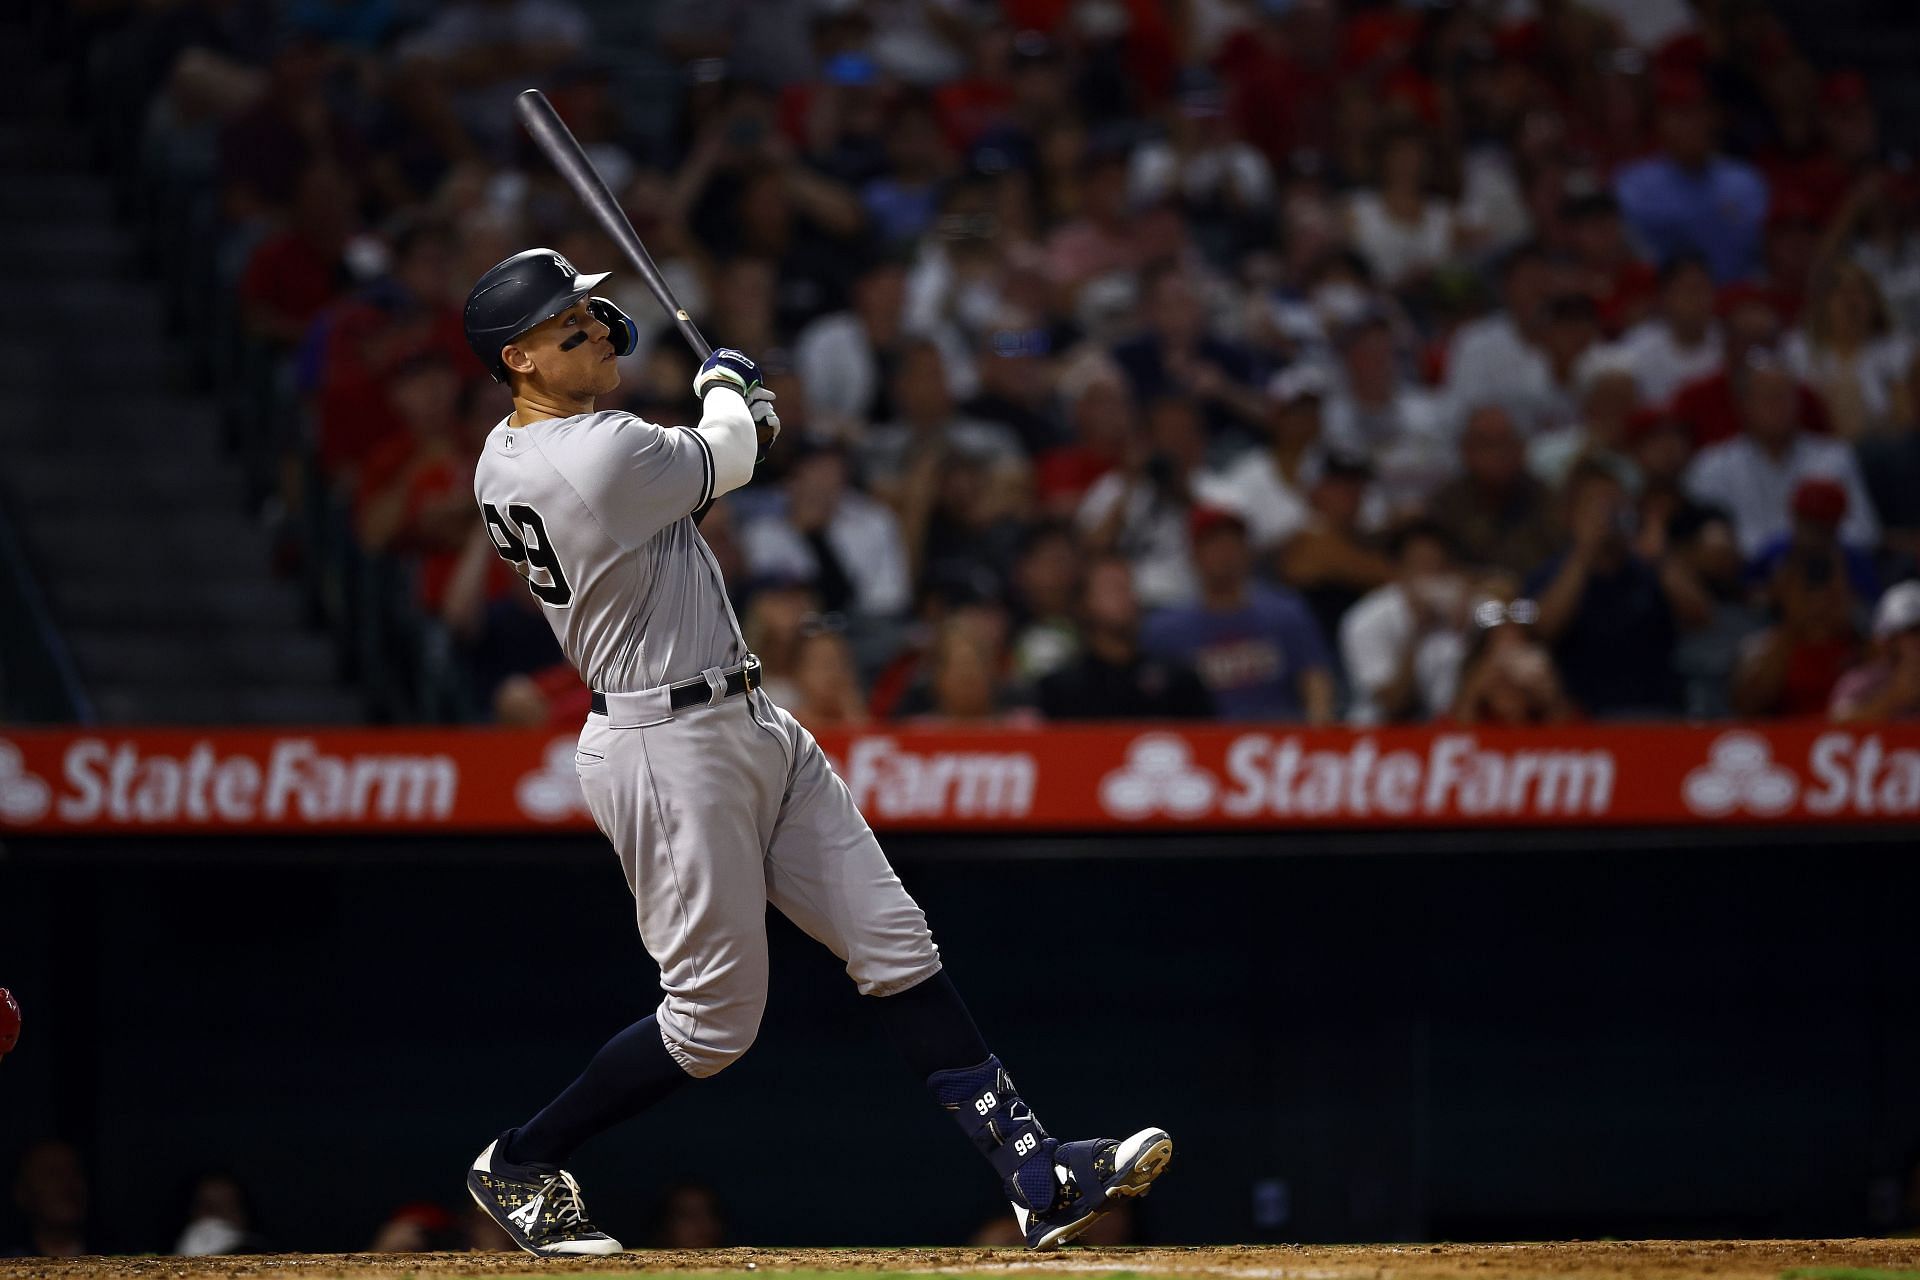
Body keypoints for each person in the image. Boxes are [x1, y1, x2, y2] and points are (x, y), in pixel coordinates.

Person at [458, 248, 1171, 1255]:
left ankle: (1037, 1169)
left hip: (746, 713)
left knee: (895, 943)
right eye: (568, 326)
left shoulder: (515, 450)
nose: (598, 328)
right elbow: (730, 453)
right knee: (712, 1024)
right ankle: (524, 1160)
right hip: (665, 743)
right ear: (520, 359)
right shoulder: (598, 454)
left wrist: (726, 410)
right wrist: (729, 390)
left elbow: (696, 457)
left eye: (592, 312)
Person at [1142, 508, 1334, 723]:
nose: (1225, 554)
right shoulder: (1164, 629)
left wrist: (1317, 732)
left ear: (1247, 551)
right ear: (1193, 555)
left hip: (1278, 738)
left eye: (1233, 543)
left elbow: (1315, 679)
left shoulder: (1285, 613)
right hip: (1202, 743)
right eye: (1213, 545)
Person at [1525, 460, 1681, 718]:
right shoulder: (1548, 574)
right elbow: (1542, 629)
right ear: (1568, 515)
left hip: (1655, 716)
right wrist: (1585, 552)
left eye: (1614, 504)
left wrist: (1662, 559)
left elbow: (1700, 617)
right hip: (1579, 720)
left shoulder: (1648, 567)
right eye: (1594, 505)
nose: (1606, 515)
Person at [1686, 353, 1880, 558]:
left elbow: (1865, 532)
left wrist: (1809, 544)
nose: (1778, 407)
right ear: (1745, 405)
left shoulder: (1834, 457)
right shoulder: (1712, 466)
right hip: (1743, 580)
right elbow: (1704, 540)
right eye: (1768, 397)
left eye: (1785, 396)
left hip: (1824, 571)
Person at [1612, 71, 1769, 284]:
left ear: (1713, 118)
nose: (1692, 126)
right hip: (1666, 304)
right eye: (1681, 114)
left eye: (1699, 113)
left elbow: (1761, 256)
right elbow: (1633, 257)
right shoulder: (1634, 185)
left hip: (1739, 297)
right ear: (1661, 121)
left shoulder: (1745, 181)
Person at [1036, 556, 1213, 721]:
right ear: (1083, 604)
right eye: (1113, 589)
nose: (1126, 597)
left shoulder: (1178, 680)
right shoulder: (1060, 690)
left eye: (1128, 587)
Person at [1340, 521, 1471, 726]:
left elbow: (1510, 602)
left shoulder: (1462, 606)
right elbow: (1393, 705)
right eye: (1421, 565)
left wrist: (1468, 630)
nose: (1430, 576)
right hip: (1378, 733)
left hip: (1445, 732)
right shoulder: (1366, 619)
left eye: (1438, 566)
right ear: (1398, 570)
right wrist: (1417, 632)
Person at [1427, 405, 1564, 580]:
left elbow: (1560, 562)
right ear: (1466, 451)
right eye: (1486, 444)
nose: (1497, 454)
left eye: (1505, 442)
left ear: (1521, 449)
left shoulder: (1545, 498)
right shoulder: (1446, 503)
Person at [1829, 580, 1920, 722]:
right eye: (1913, 631)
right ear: (1889, 640)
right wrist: (1893, 698)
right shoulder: (1858, 682)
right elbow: (1836, 724)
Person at [6, 1140, 91, 1258]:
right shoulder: (9, 1259)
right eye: (53, 1174)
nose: (68, 1183)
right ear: (22, 1192)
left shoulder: (115, 1255)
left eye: (75, 1172)